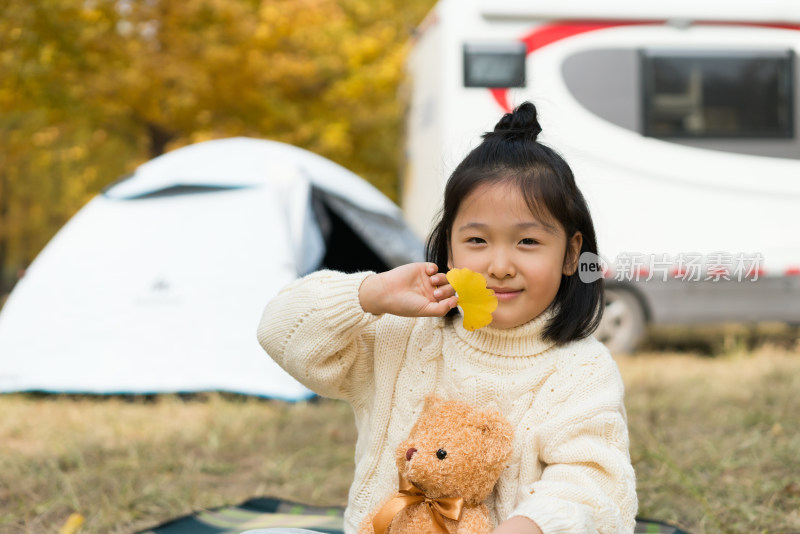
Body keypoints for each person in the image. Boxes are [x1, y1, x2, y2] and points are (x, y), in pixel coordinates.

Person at [250, 101, 637, 534]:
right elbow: (279, 331)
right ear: (449, 248)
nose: (500, 265)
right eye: (476, 240)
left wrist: (530, 524)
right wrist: (368, 294)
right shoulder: (402, 334)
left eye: (527, 241)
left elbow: (594, 484)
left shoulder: (581, 369)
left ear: (570, 253)